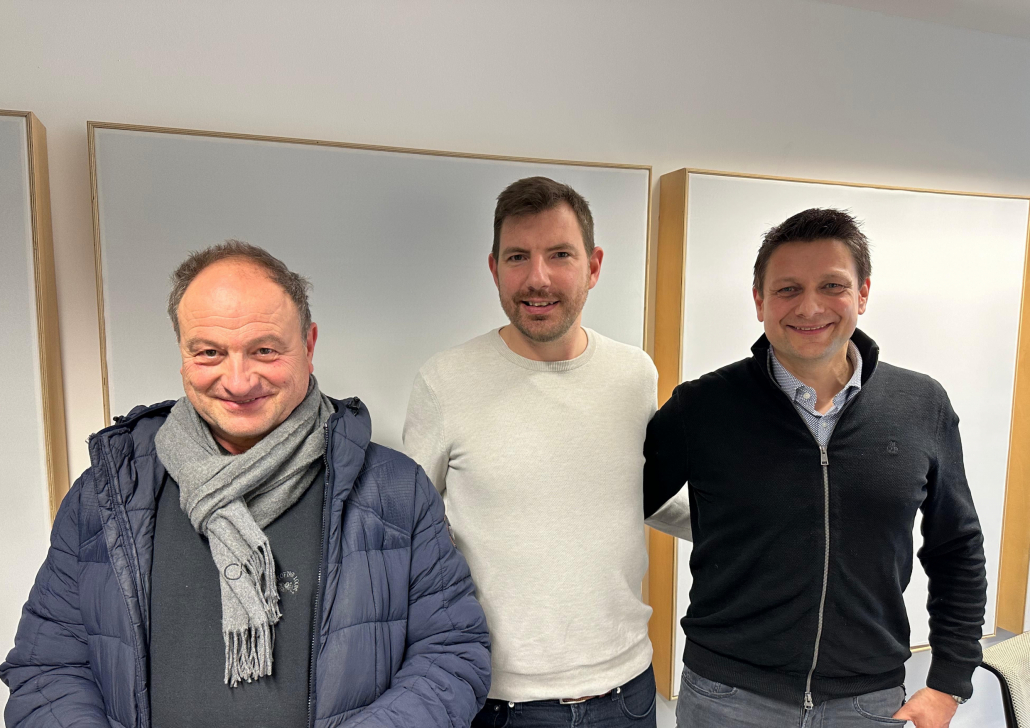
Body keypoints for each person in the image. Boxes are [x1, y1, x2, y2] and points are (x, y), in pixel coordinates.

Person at [1, 241, 491, 728]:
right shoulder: (107, 493)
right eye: (210, 352)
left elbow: (450, 656)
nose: (238, 382)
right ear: (182, 352)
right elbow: (48, 669)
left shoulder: (396, 491)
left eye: (264, 350)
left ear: (309, 346)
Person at [643, 208, 988, 728]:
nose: (809, 307)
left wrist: (949, 682)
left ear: (862, 294)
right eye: (787, 289)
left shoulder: (922, 404)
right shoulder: (703, 406)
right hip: (727, 699)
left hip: (867, 702)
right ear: (759, 301)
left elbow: (956, 547)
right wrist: (717, 527)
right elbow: (628, 500)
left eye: (832, 286)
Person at [405, 176, 678, 728]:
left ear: (593, 266)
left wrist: (756, 520)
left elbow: (643, 495)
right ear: (494, 269)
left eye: (560, 255)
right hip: (498, 700)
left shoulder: (635, 374)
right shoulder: (445, 381)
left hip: (627, 692)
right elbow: (410, 533)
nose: (537, 278)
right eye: (517, 257)